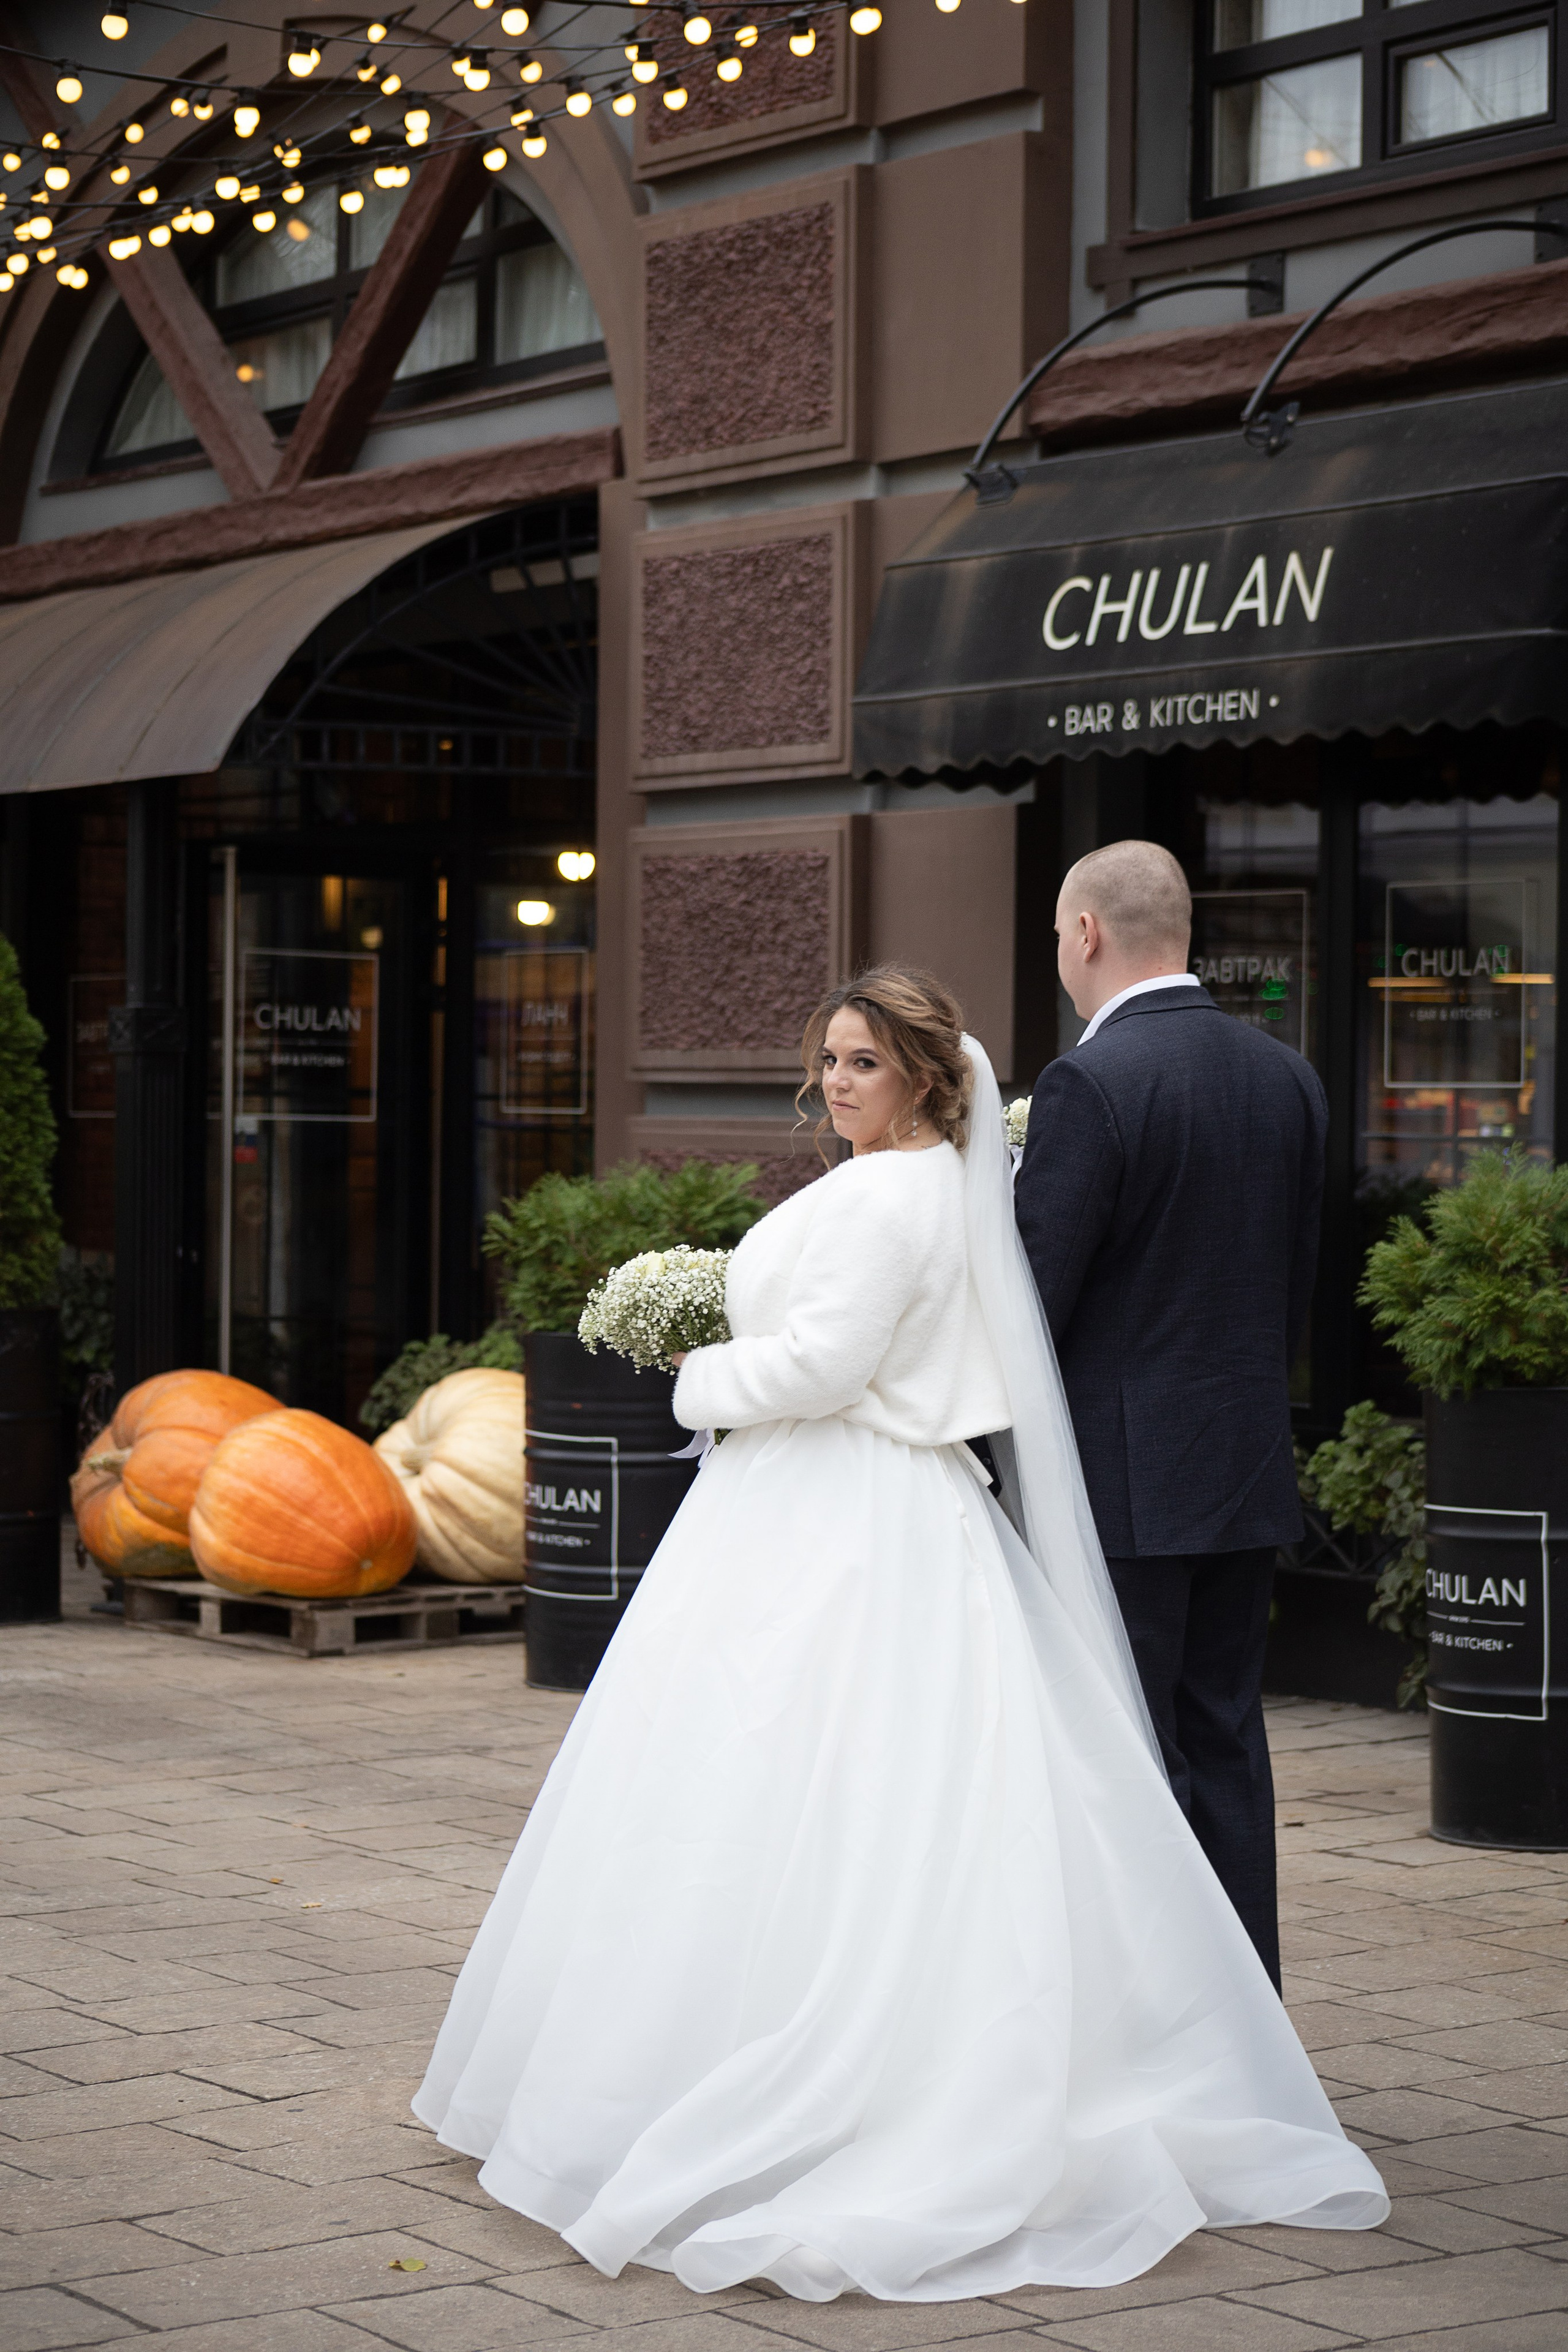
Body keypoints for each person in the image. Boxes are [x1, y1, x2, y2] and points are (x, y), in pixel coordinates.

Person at [414, 965, 1384, 2304]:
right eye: (828, 1059)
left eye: (861, 1062)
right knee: (889, 1787)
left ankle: (796, 2077)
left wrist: (698, 1377)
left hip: (842, 1511)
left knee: (794, 1777)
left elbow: (825, 1366)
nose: (834, 1082)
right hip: (877, 1505)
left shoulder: (888, 1199)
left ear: (928, 1077)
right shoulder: (940, 1188)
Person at [1015, 843, 1328, 1991]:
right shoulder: (1287, 1076)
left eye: (1058, 934)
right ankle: (1249, 2018)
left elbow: (1032, 1305)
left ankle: (1164, 2025)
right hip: (1243, 1466)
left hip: (1120, 1485)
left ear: (1087, 932)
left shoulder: (1091, 1083)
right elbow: (1292, 1292)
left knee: (1129, 1756)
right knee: (1226, 1738)